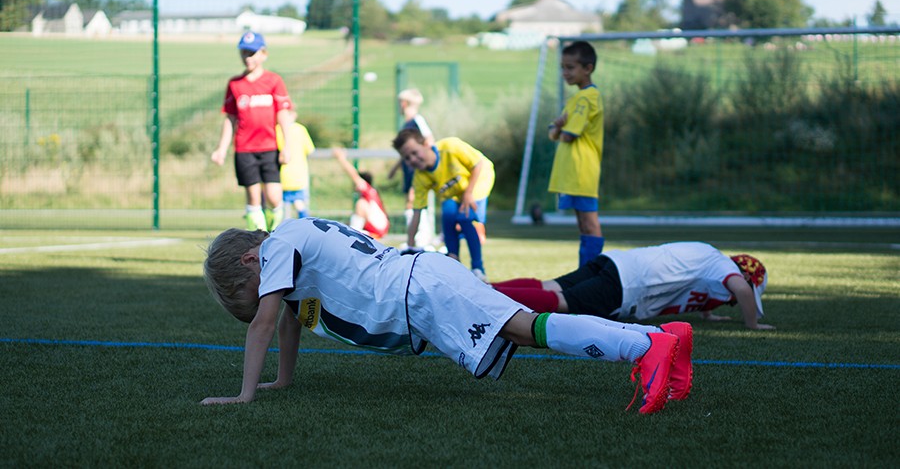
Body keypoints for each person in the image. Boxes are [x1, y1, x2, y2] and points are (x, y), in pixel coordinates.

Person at [200, 218, 696, 414]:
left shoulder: (277, 247)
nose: (264, 296)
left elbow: (266, 321)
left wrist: (244, 394)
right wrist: (282, 382)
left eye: (252, 290)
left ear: (250, 260)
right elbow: (287, 320)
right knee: (523, 329)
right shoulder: (294, 236)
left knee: (526, 329)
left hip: (421, 291)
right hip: (422, 280)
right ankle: (662, 337)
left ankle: (643, 347)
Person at [491, 242, 775, 333]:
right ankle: (484, 294)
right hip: (628, 285)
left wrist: (709, 314)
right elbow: (740, 288)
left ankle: (486, 286)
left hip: (615, 262)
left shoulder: (710, 256)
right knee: (563, 302)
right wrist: (751, 324)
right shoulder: (728, 270)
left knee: (549, 285)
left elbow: (699, 284)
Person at [211, 30, 297, 232]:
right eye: (244, 52)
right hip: (245, 149)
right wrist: (221, 149)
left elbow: (283, 115)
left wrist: (287, 145)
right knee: (253, 196)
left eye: (252, 52)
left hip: (269, 148)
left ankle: (274, 233)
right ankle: (257, 239)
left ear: (263, 54)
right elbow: (230, 119)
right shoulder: (235, 84)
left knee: (275, 197)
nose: (247, 57)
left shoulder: (274, 81)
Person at [392, 128, 493, 281]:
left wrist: (468, 193)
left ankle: (478, 269)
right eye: (406, 158)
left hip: (479, 177)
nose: (412, 159)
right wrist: (410, 246)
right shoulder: (420, 177)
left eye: (414, 152)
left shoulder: (450, 147)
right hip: (456, 191)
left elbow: (477, 164)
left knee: (464, 217)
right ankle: (454, 264)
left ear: (425, 144)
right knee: (448, 214)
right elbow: (417, 213)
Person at [548, 40, 605, 267]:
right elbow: (553, 133)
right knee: (582, 222)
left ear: (588, 68)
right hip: (571, 171)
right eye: (563, 67)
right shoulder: (576, 98)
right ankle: (586, 270)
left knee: (589, 221)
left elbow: (566, 135)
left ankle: (592, 272)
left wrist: (559, 128)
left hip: (582, 170)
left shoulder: (587, 98)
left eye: (570, 67)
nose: (565, 73)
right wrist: (558, 129)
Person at [388, 88, 437, 249]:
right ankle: (415, 239)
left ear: (404, 103)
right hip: (409, 171)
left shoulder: (417, 120)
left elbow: (429, 140)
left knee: (414, 202)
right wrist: (395, 168)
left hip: (417, 172)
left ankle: (423, 240)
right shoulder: (407, 124)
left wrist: (424, 165)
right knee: (410, 203)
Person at [332, 146, 390, 239]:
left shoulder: (368, 191)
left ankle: (353, 235)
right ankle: (353, 232)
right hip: (377, 229)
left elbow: (354, 175)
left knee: (361, 204)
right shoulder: (371, 193)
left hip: (377, 231)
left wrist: (341, 158)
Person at [276, 116, 316, 220]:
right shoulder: (300, 129)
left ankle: (277, 230)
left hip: (279, 175)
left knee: (278, 206)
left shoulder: (276, 129)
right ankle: (306, 225)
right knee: (299, 204)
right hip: (298, 176)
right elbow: (310, 150)